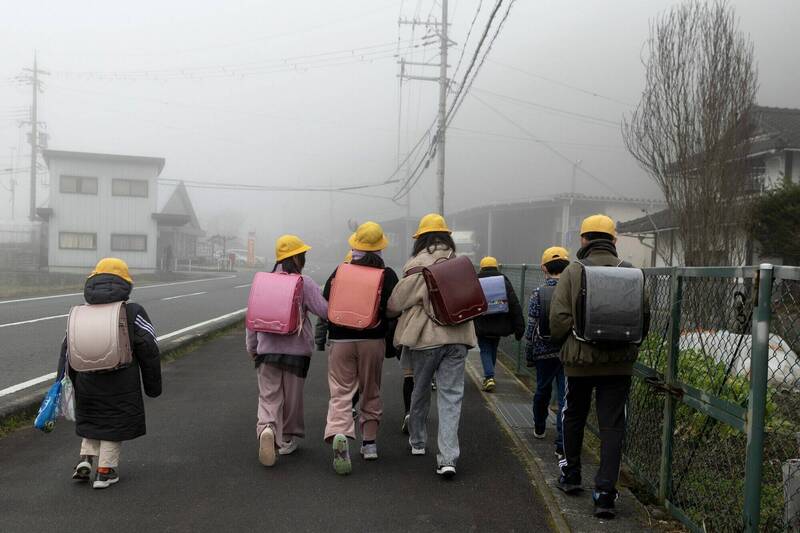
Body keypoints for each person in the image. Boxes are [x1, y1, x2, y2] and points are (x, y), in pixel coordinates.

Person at [549, 215, 649, 518]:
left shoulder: (573, 272)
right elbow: (644, 318)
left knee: (573, 416)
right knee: (612, 425)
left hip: (579, 362)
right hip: (619, 364)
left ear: (583, 240)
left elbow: (557, 321)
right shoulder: (632, 273)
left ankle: (571, 476)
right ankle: (605, 493)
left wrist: (573, 341)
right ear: (614, 241)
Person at [59, 258, 161, 489]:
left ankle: (85, 460)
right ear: (126, 284)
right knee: (114, 423)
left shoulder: (81, 312)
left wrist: (64, 383)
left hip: (86, 378)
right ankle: (105, 471)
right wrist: (153, 386)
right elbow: (149, 348)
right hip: (121, 380)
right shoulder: (133, 311)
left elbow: (67, 348)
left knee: (93, 418)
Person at [388, 213, 477, 479]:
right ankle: (448, 459)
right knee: (451, 397)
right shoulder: (461, 263)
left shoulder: (416, 265)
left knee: (420, 389)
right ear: (447, 238)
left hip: (425, 339)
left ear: (421, 239)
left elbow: (395, 303)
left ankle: (417, 441)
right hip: (458, 337)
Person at [322, 222, 399, 475]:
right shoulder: (387, 274)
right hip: (372, 339)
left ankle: (340, 434)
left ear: (355, 245)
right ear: (379, 247)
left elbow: (326, 302)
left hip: (340, 338)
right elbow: (393, 308)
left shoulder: (340, 270)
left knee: (341, 392)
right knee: (371, 390)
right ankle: (369, 445)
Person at [246, 235, 328, 467]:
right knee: (292, 399)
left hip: (266, 352)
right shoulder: (304, 282)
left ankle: (266, 429)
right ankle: (286, 440)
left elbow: (251, 319)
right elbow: (324, 311)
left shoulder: (262, 282)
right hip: (297, 353)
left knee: (268, 396)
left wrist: (253, 347)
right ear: (296, 257)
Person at [524, 246, 569, 459]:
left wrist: (529, 351)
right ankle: (561, 443)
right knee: (565, 398)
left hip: (543, 351)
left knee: (542, 390)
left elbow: (532, 327)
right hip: (568, 351)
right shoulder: (573, 293)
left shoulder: (538, 293)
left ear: (544, 268)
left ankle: (540, 425)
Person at [474, 256, 525, 392]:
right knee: (493, 347)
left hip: (481, 323)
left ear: (481, 268)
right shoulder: (503, 281)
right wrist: (519, 326)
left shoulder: (476, 281)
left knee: (484, 349)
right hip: (499, 323)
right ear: (496, 267)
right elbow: (514, 304)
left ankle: (489, 376)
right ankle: (490, 376)